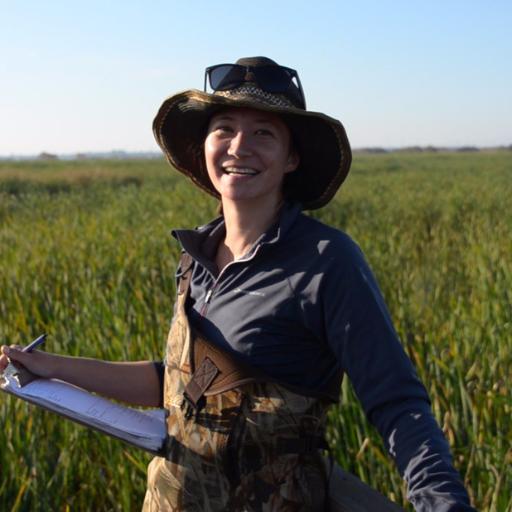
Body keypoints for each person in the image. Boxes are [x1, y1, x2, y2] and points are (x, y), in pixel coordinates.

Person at [0, 57, 476, 512]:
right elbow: (179, 386)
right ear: (204, 145)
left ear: (291, 158)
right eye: (224, 128)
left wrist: (443, 503)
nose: (238, 147)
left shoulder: (326, 264)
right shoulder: (196, 256)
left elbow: (398, 403)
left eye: (263, 133)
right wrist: (46, 366)